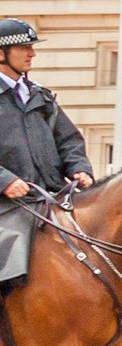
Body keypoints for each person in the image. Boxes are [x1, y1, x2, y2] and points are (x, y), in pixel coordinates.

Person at [0, 16, 94, 296]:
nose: (33, 53)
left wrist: (79, 168)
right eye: (25, 48)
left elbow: (69, 139)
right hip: (7, 202)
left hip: (49, 195)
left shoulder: (40, 95)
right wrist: (4, 180)